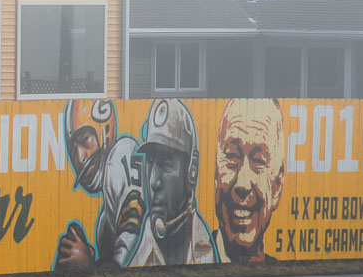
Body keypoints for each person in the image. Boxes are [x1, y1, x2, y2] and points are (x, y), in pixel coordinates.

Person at [121, 98, 219, 267]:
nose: (153, 181)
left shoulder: (207, 251)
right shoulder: (137, 259)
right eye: (150, 162)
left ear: (192, 170)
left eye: (165, 163)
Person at [55, 99, 146, 272]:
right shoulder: (104, 221)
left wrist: (88, 265)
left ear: (104, 131)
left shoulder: (119, 156)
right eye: (74, 150)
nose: (80, 156)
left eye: (84, 141)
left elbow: (126, 255)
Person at [213, 98, 286, 263]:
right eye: (232, 157)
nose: (242, 184)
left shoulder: (276, 274)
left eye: (258, 161)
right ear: (216, 173)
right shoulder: (194, 256)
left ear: (277, 186)